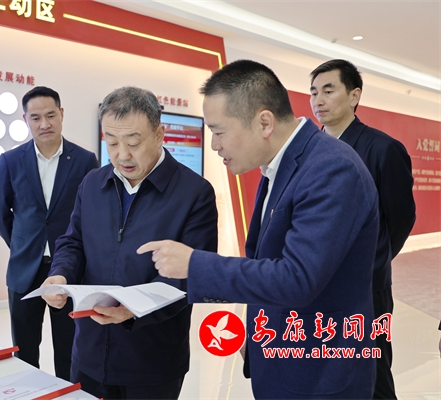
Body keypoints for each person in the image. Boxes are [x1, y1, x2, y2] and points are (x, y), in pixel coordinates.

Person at [138, 60, 379, 398]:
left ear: (264, 122)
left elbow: (297, 279)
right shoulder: (279, 167)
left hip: (319, 372)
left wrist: (194, 264)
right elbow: (267, 263)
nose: (214, 145)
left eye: (219, 131)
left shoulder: (331, 169)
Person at [42, 86, 218, 399]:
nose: (122, 154)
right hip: (90, 352)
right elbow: (73, 241)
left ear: (160, 134)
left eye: (133, 142)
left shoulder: (194, 193)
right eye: (111, 141)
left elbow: (192, 275)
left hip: (152, 361)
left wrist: (133, 309)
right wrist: (60, 274)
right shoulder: (93, 183)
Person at [309, 59, 416, 399]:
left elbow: (400, 219)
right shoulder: (306, 150)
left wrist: (370, 262)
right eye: (313, 92)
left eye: (328, 91)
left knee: (371, 375)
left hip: (364, 289)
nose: (318, 100)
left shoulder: (383, 149)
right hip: (313, 286)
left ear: (354, 96)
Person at [0, 86, 98, 377]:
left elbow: (92, 215)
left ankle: (68, 393)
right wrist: (22, 244)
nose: (44, 124)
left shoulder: (85, 160)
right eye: (35, 117)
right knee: (24, 349)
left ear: (61, 114)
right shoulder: (10, 161)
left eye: (50, 115)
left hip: (70, 269)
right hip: (25, 268)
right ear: (25, 119)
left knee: (69, 346)